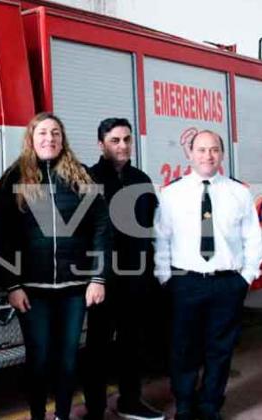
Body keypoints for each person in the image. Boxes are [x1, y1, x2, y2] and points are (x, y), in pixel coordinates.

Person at [0, 112, 111, 420]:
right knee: (38, 359)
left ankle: (62, 415)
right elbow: (3, 236)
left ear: (63, 139)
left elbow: (101, 226)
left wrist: (98, 278)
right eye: (43, 133)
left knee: (67, 360)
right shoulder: (15, 177)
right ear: (31, 139)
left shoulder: (81, 176)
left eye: (56, 133)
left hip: (74, 289)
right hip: (32, 292)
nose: (50, 138)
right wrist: (12, 285)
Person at [153, 130, 262, 420]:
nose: (207, 156)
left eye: (214, 150)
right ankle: (186, 405)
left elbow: (253, 237)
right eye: (201, 150)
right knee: (183, 348)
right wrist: (166, 276)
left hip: (227, 283)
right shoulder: (172, 193)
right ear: (189, 154)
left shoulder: (238, 192)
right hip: (185, 282)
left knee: (220, 349)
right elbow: (161, 237)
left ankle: (210, 405)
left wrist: (246, 277)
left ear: (222, 154)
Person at [84, 118, 165, 420]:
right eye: (115, 140)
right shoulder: (87, 179)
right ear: (100, 144)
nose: (122, 145)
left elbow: (152, 229)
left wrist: (154, 273)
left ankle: (130, 401)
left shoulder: (141, 180)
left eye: (127, 139)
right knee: (97, 348)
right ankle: (94, 410)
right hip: (102, 279)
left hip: (137, 278)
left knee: (133, 343)